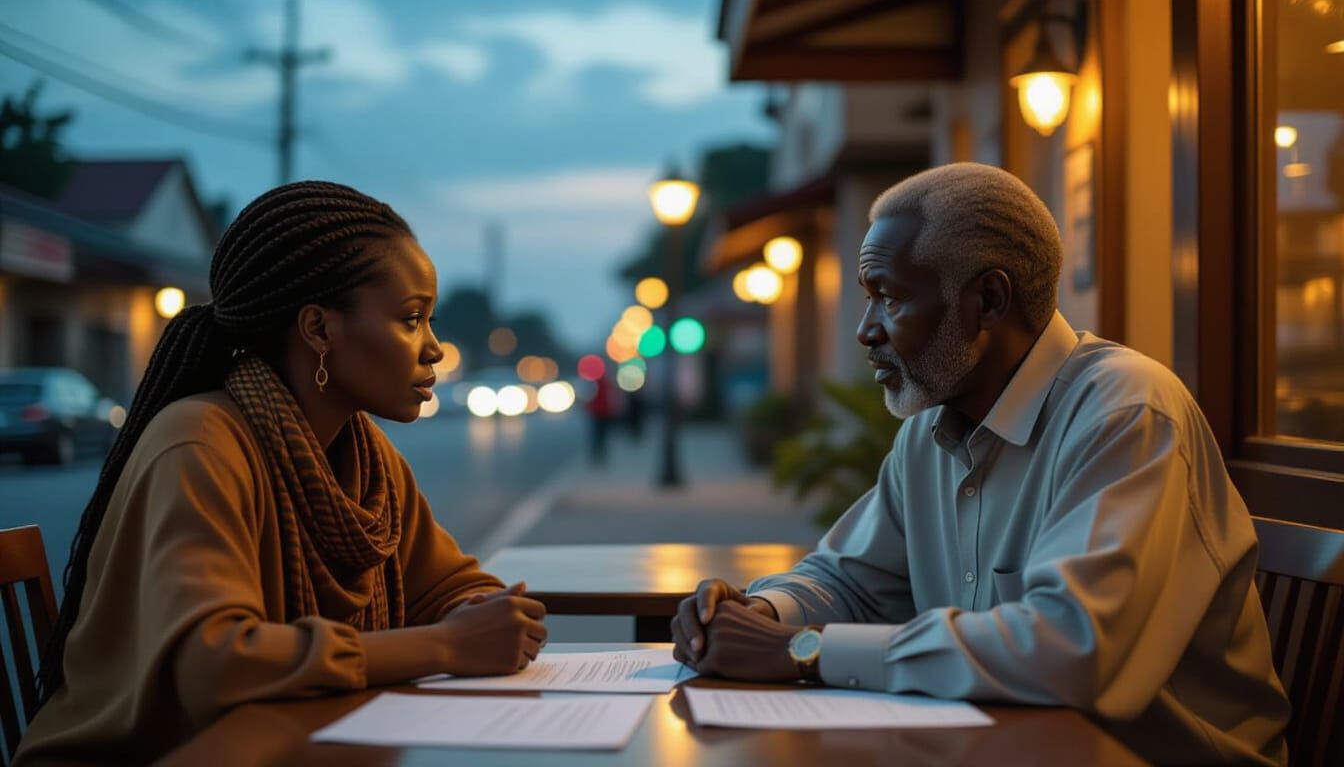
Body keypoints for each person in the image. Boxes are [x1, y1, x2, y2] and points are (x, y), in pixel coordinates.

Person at [670, 163, 1290, 765]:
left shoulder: (1126, 411)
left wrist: (805, 651)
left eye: (888, 298)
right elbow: (850, 580)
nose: (866, 330)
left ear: (988, 299)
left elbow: (1071, 649)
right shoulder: (931, 429)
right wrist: (760, 614)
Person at [16, 181, 548, 764]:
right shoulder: (199, 442)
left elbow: (450, 585)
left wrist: (476, 615)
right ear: (318, 329)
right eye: (411, 319)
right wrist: (445, 645)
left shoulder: (365, 457)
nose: (435, 349)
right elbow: (216, 663)